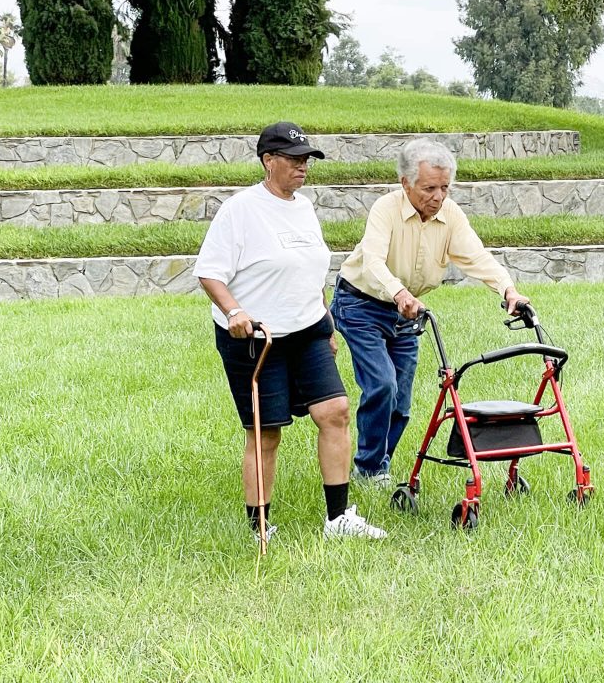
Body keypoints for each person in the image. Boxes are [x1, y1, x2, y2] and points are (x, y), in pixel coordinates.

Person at [193, 121, 386, 542]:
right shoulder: (240, 210)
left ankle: (339, 519)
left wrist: (326, 323)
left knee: (334, 412)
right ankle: (259, 526)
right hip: (256, 338)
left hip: (308, 329)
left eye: (307, 160)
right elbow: (209, 273)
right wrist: (234, 312)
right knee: (266, 432)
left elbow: (310, 271)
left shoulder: (303, 208)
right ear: (268, 161)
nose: (303, 168)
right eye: (295, 160)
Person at [331, 138, 530, 485]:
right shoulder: (386, 209)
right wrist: (399, 292)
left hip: (409, 312)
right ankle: (368, 469)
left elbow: (476, 256)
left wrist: (508, 289)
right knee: (381, 384)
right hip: (361, 304)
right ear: (405, 183)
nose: (438, 197)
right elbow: (373, 261)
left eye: (444, 188)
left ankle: (379, 464)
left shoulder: (449, 214)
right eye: (429, 188)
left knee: (401, 402)